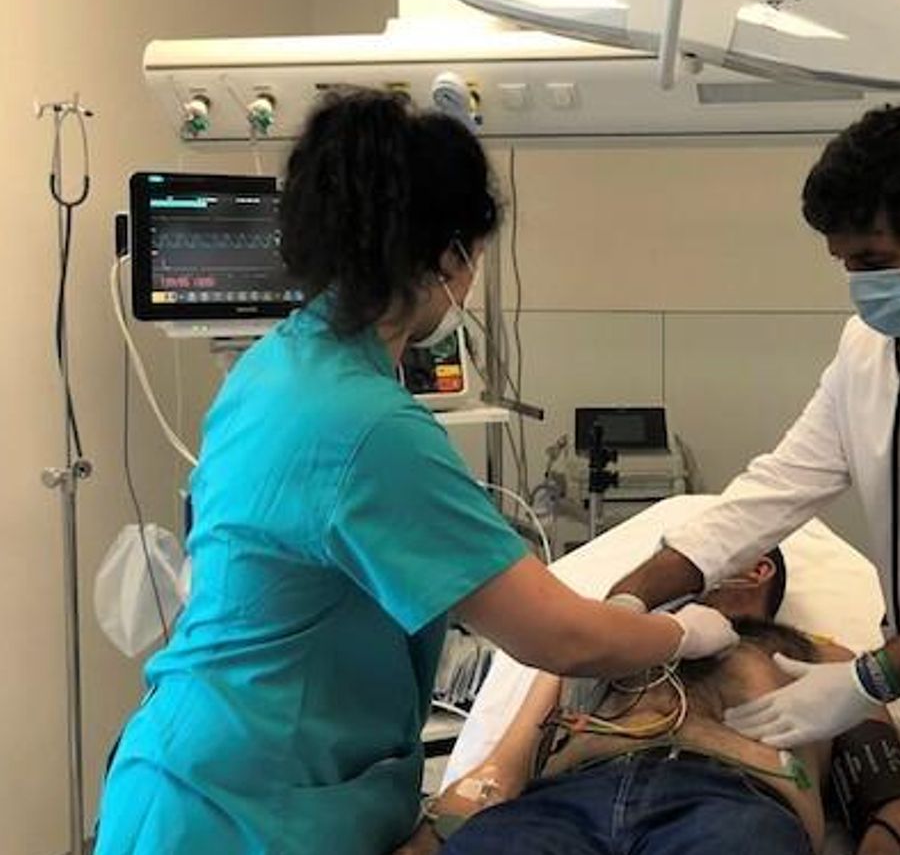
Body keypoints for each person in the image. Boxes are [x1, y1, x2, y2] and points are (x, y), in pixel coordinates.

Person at [93, 89, 737, 855]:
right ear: (448, 255)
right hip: (246, 816)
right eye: (469, 255)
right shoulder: (368, 428)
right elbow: (563, 637)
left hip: (187, 779)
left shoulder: (272, 368)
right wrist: (679, 632)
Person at [608, 104, 900, 749]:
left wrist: (868, 680)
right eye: (845, 265)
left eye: (873, 261)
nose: (859, 285)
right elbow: (775, 490)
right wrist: (628, 600)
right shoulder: (866, 352)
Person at [413, 549, 900, 855]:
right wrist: (436, 833)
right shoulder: (605, 648)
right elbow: (504, 766)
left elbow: (889, 794)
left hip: (730, 803)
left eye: (687, 564)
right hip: (562, 805)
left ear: (757, 568)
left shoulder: (821, 655)